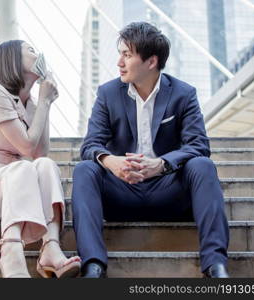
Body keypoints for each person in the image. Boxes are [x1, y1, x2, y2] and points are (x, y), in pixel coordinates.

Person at [72, 22, 230, 278]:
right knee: (85, 169)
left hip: (168, 192)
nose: (119, 62)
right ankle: (93, 266)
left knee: (203, 165)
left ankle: (215, 266)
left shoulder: (183, 94)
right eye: (120, 54)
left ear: (151, 61)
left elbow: (199, 145)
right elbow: (90, 145)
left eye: (127, 55)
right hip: (120, 192)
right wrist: (113, 162)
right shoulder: (108, 94)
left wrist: (162, 164)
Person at [0, 40, 81, 278]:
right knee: (22, 167)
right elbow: (26, 146)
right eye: (30, 49)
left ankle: (51, 247)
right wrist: (43, 101)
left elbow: (40, 154)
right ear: (12, 59)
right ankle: (10, 252)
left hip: (19, 185)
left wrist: (45, 103)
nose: (38, 53)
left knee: (46, 165)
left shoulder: (31, 103)